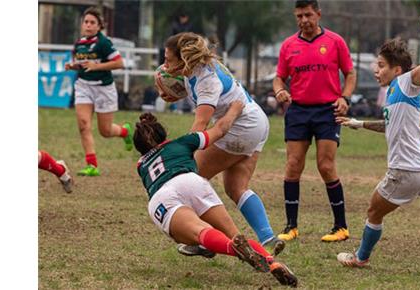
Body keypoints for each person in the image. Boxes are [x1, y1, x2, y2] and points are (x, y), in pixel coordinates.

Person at [335, 2, 420, 267]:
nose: (376, 70)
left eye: (380, 65)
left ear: (397, 70)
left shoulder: (407, 82)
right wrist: (359, 123)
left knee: (374, 212)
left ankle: (360, 258)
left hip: (406, 171)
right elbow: (391, 126)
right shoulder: (393, 92)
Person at [133, 102, 297, 287]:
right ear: (164, 135)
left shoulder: (141, 165)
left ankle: (232, 250)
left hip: (163, 195)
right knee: (233, 233)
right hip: (193, 182)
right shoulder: (183, 142)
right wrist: (235, 109)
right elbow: (220, 129)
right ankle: (271, 262)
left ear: (140, 148)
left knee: (199, 232)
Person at [159, 32, 285, 256]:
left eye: (169, 59)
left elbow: (200, 124)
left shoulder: (207, 82)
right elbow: (199, 91)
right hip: (256, 119)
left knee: (192, 179)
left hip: (241, 126)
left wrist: (181, 153)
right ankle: (268, 237)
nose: (164, 64)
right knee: (236, 187)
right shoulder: (198, 66)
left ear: (184, 59)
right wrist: (174, 94)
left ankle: (204, 240)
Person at [272, 0, 357, 242]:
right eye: (299, 16)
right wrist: (279, 91)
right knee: (293, 165)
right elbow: (279, 78)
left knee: (326, 166)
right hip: (298, 111)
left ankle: (341, 227)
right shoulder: (288, 45)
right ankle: (291, 226)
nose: (304, 20)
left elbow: (350, 73)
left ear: (318, 14)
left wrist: (345, 97)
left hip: (328, 111)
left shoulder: (335, 42)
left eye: (308, 15)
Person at [65, 7, 133, 177]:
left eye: (92, 22)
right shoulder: (79, 43)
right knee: (83, 125)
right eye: (86, 22)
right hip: (83, 86)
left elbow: (119, 63)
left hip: (103, 88)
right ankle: (92, 165)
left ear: (99, 26)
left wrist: (98, 66)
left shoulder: (104, 43)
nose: (88, 25)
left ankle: (124, 131)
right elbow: (82, 63)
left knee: (105, 131)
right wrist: (73, 66)